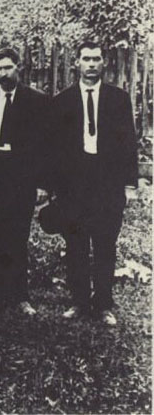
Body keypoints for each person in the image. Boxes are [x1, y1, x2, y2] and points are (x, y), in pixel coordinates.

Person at [50, 40, 138, 326]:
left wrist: (129, 184)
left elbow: (129, 143)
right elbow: (54, 149)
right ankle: (78, 302)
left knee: (105, 243)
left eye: (96, 59)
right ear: (77, 62)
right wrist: (54, 189)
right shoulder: (62, 101)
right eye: (86, 59)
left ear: (104, 63)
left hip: (107, 183)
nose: (91, 64)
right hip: (74, 185)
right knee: (75, 243)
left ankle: (103, 305)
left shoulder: (118, 99)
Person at [0, 47, 47, 315]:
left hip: (22, 178)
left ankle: (20, 296)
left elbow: (45, 147)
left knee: (18, 235)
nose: (3, 73)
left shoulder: (36, 101)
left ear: (18, 68)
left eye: (7, 67)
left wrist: (42, 183)